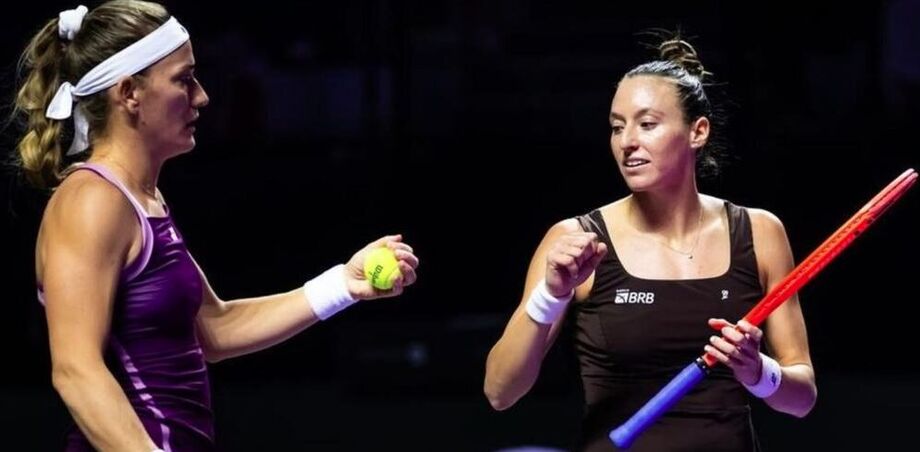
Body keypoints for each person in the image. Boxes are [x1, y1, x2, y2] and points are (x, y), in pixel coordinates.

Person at [12, 2, 419, 450]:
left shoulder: (142, 200)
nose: (202, 96)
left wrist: (343, 283)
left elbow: (213, 329)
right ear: (129, 93)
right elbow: (75, 370)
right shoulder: (90, 202)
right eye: (183, 80)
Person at [484, 35, 817, 451]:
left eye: (647, 124)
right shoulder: (574, 240)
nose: (627, 142)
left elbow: (801, 399)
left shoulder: (760, 232)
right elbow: (500, 391)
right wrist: (551, 295)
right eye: (617, 127)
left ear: (697, 131)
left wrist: (757, 371)